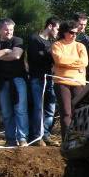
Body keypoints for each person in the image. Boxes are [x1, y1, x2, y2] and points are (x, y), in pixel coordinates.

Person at [0, 18, 28, 147]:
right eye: (6, 29)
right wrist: (5, 51)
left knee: (20, 110)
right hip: (2, 82)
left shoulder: (18, 40)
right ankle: (10, 139)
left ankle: (22, 138)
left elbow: (16, 55)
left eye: (11, 29)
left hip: (18, 80)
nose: (9, 32)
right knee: (6, 111)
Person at [51, 20, 88, 139]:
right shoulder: (57, 45)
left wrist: (67, 63)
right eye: (71, 32)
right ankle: (67, 140)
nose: (74, 35)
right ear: (64, 32)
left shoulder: (80, 46)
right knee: (66, 113)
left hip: (78, 82)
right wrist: (76, 63)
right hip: (62, 82)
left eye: (76, 33)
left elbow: (84, 62)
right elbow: (59, 60)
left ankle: (79, 139)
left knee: (79, 112)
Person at [27, 16, 60, 146]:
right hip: (37, 79)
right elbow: (35, 58)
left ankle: (46, 135)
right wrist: (50, 55)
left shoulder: (52, 43)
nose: (57, 32)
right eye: (57, 28)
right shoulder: (34, 39)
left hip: (50, 79)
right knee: (38, 108)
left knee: (50, 108)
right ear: (50, 26)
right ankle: (36, 136)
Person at [74, 12, 89, 81]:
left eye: (84, 24)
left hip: (82, 76)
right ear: (74, 23)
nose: (83, 27)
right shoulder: (65, 37)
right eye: (80, 24)